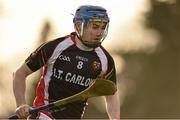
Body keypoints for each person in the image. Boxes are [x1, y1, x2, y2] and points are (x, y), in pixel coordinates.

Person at [13, 5, 120, 119]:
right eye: (95, 27)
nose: (99, 33)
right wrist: (21, 104)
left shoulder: (105, 60)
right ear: (79, 25)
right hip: (44, 115)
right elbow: (19, 74)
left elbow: (111, 93)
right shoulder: (55, 47)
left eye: (103, 27)